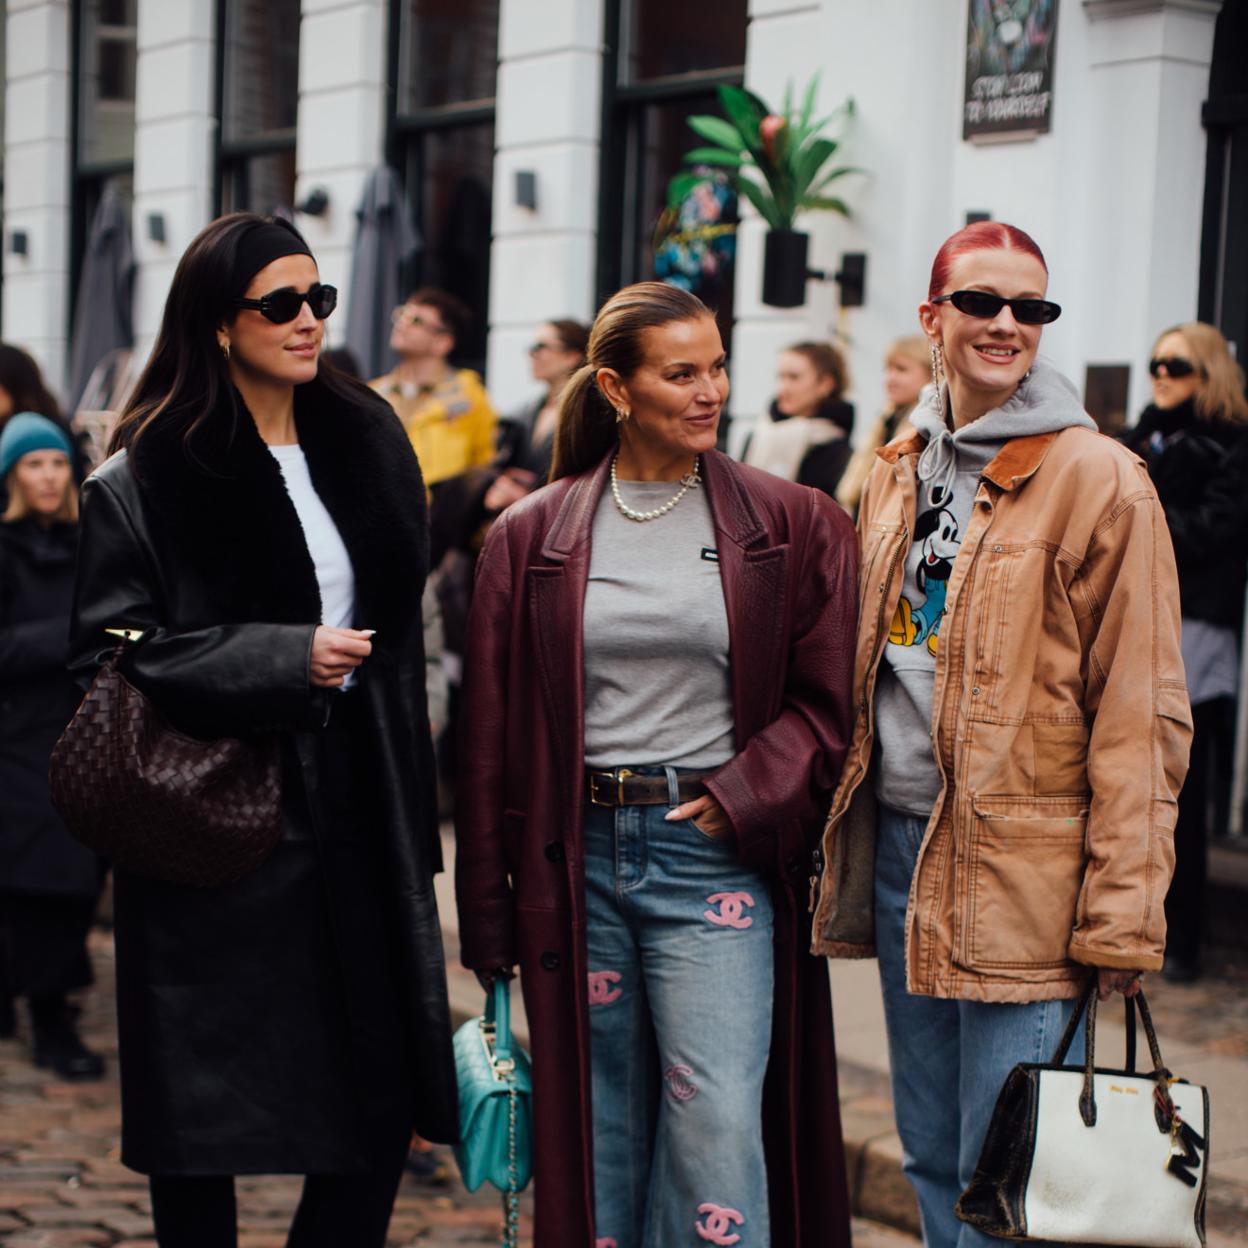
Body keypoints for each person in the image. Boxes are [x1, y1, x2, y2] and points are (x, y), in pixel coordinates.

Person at [67, 212, 457, 1248]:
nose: (307, 321)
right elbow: (109, 648)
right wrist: (277, 657)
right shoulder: (148, 470)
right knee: (204, 1121)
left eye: (318, 298)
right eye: (279, 303)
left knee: (376, 1104)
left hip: (359, 805)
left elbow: (406, 639)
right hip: (214, 817)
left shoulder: (365, 438)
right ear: (217, 321)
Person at [809, 221, 1192, 1248]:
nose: (1007, 324)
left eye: (1032, 308)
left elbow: (1142, 712)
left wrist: (1123, 915)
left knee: (1014, 1175)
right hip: (902, 854)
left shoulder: (1098, 477)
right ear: (933, 318)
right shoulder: (899, 464)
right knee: (932, 1151)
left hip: (1027, 875)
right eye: (981, 302)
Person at [455, 281, 859, 1247]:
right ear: (616, 388)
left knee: (716, 1120)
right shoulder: (530, 535)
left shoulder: (791, 521)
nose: (711, 389)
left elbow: (829, 702)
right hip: (573, 858)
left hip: (711, 857)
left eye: (718, 366)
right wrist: (486, 914)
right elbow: (487, 743)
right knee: (599, 1124)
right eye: (682, 373)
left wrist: (741, 796)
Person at [1120, 321, 1248, 983]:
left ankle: (1185, 939)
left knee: (1184, 789)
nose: (1163, 376)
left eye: (1178, 365)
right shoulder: (1135, 438)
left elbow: (1214, 532)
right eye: (1156, 364)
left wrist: (1139, 510)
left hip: (1195, 627)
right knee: (1123, 777)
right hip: (1132, 621)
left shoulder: (1228, 446)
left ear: (1208, 372)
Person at [0, 414, 104, 1077]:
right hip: (15, 736)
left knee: (73, 879)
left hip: (85, 732)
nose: (48, 476)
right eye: (35, 464)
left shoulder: (91, 542)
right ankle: (47, 1020)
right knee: (36, 883)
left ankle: (44, 1006)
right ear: (13, 474)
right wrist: (68, 636)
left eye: (58, 463)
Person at [369, 287, 497, 494]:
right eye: (402, 315)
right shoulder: (374, 393)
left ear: (442, 342)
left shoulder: (468, 394)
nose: (402, 324)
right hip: (381, 517)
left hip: (440, 520)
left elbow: (484, 464)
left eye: (416, 321)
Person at [485, 317, 589, 512]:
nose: (532, 354)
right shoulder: (521, 414)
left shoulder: (587, 417)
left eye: (541, 346)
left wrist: (526, 497)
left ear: (571, 356)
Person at [743, 340, 855, 497]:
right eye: (780, 377)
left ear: (825, 384)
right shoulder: (758, 435)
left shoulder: (837, 452)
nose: (783, 387)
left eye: (794, 377)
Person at [837, 334, 929, 514]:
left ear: (930, 376)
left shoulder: (926, 429)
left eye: (901, 370)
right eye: (888, 369)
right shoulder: (887, 420)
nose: (890, 379)